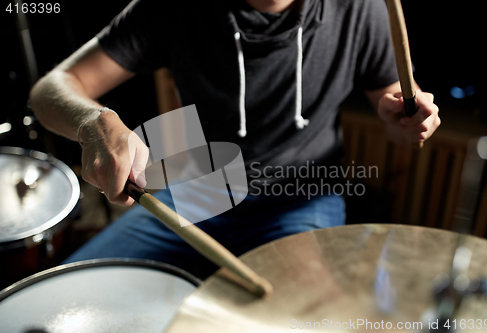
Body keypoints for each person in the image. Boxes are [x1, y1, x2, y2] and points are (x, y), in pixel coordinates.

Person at [30, 0, 440, 278]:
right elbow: (50, 89)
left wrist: (407, 121)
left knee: (292, 315)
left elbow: (398, 118)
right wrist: (94, 122)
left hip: (304, 194)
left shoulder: (360, 7)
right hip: (195, 185)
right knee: (78, 294)